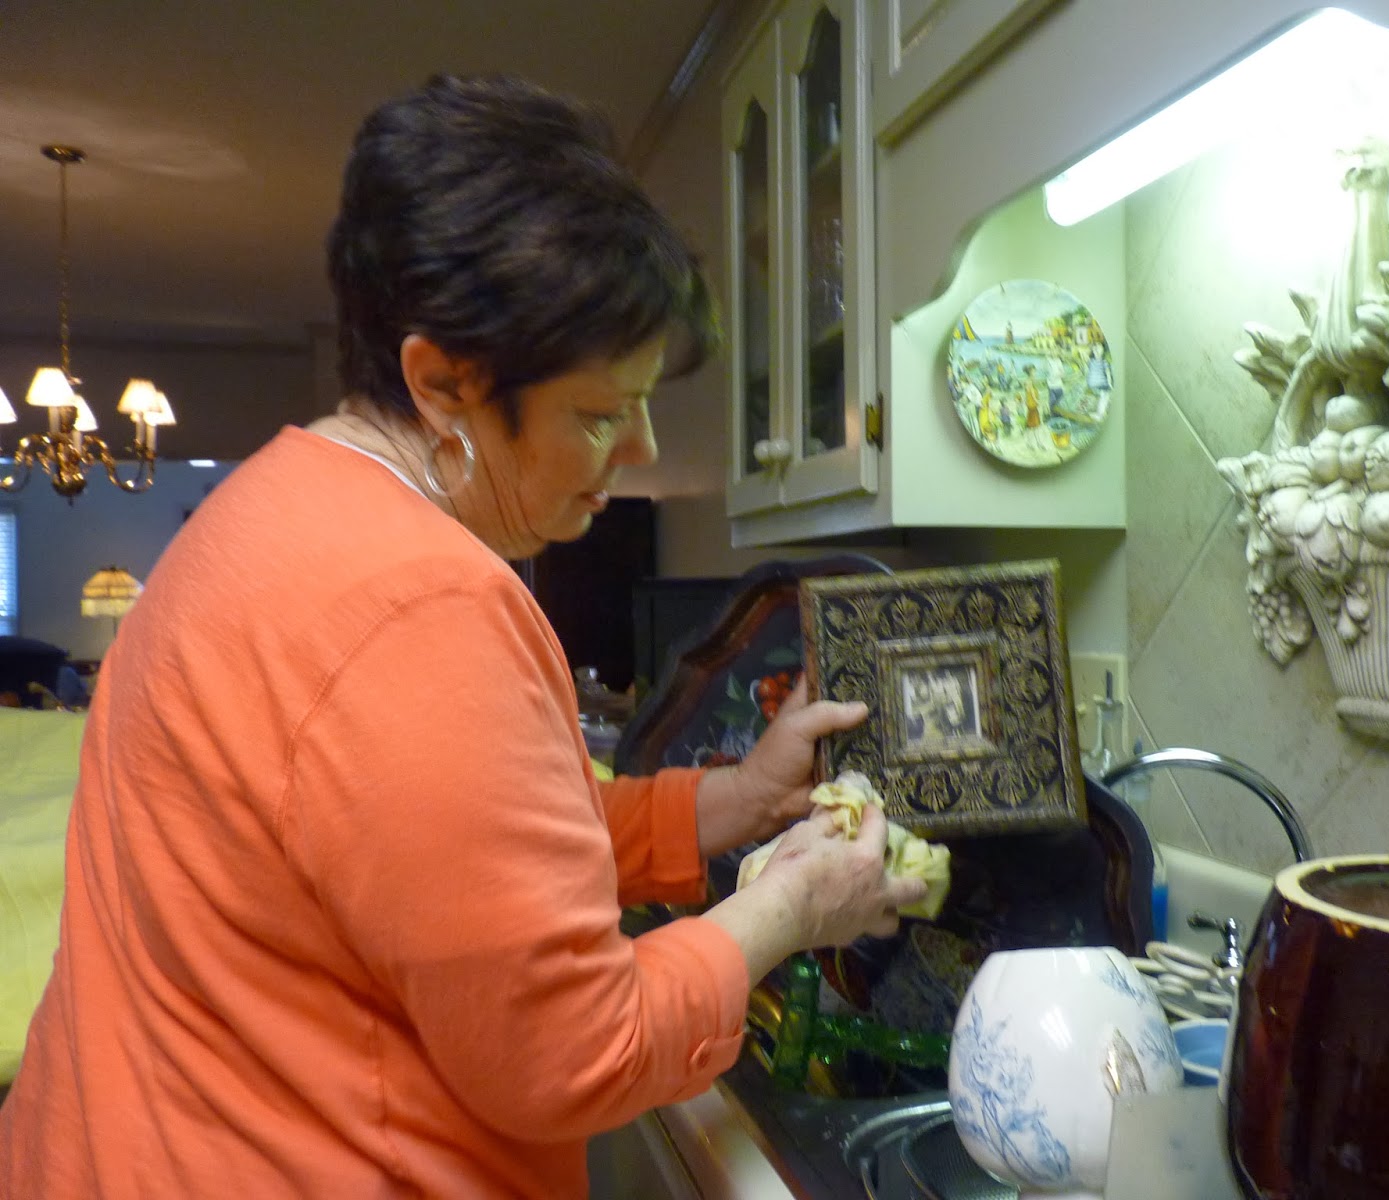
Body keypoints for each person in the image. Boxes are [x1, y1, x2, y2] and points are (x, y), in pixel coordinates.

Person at [0, 75, 926, 1198]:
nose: (640, 448)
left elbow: (478, 858)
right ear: (441, 382)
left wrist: (743, 797)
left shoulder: (265, 507)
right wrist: (790, 908)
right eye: (600, 413)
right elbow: (575, 1052)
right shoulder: (419, 603)